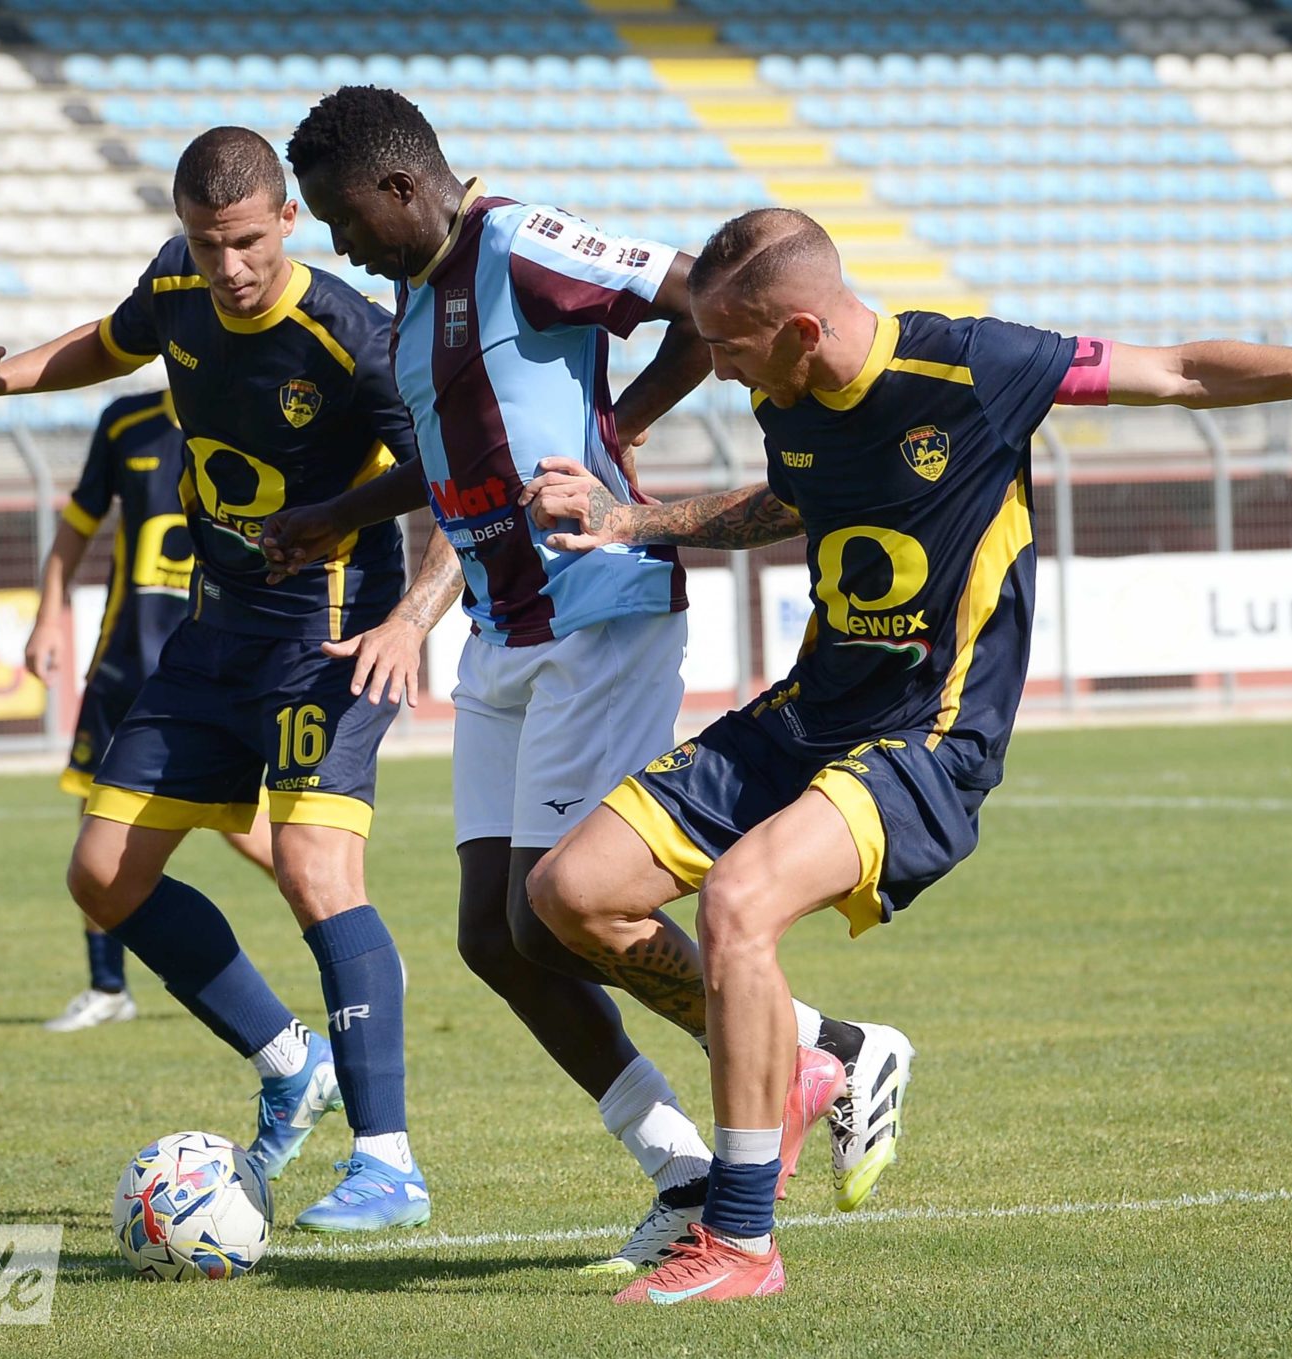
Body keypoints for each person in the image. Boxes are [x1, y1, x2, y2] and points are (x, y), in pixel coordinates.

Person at [524, 207, 1292, 1302]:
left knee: (738, 905)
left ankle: (742, 1243)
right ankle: (808, 1057)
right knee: (571, 892)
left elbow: (1181, 371)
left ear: (801, 329)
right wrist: (635, 521)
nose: (717, 370)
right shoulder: (781, 391)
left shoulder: (974, 367)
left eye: (730, 347)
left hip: (928, 735)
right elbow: (791, 500)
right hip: (810, 710)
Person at [275, 86, 912, 1271]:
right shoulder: (416, 299)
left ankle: (811, 1052)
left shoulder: (519, 242)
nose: (339, 243)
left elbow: (703, 300)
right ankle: (693, 1156)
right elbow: (452, 460)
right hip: (502, 630)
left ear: (402, 186)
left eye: (343, 217)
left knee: (551, 910)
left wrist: (619, 438)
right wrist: (339, 514)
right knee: (492, 936)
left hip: (595, 613)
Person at [0, 126, 445, 1232]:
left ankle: (387, 1162)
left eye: (246, 242)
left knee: (314, 868)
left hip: (327, 635)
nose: (228, 267)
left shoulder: (356, 338)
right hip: (212, 635)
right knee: (102, 874)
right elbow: (111, 341)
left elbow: (448, 477)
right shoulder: (175, 283)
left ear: (287, 220)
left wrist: (410, 618)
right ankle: (289, 1060)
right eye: (206, 245)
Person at [24, 388, 278, 1033]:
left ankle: (345, 931)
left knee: (247, 829)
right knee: (95, 821)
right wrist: (48, 615)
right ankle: (107, 986)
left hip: (213, 662)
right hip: (124, 662)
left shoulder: (251, 408)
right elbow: (78, 523)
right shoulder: (126, 423)